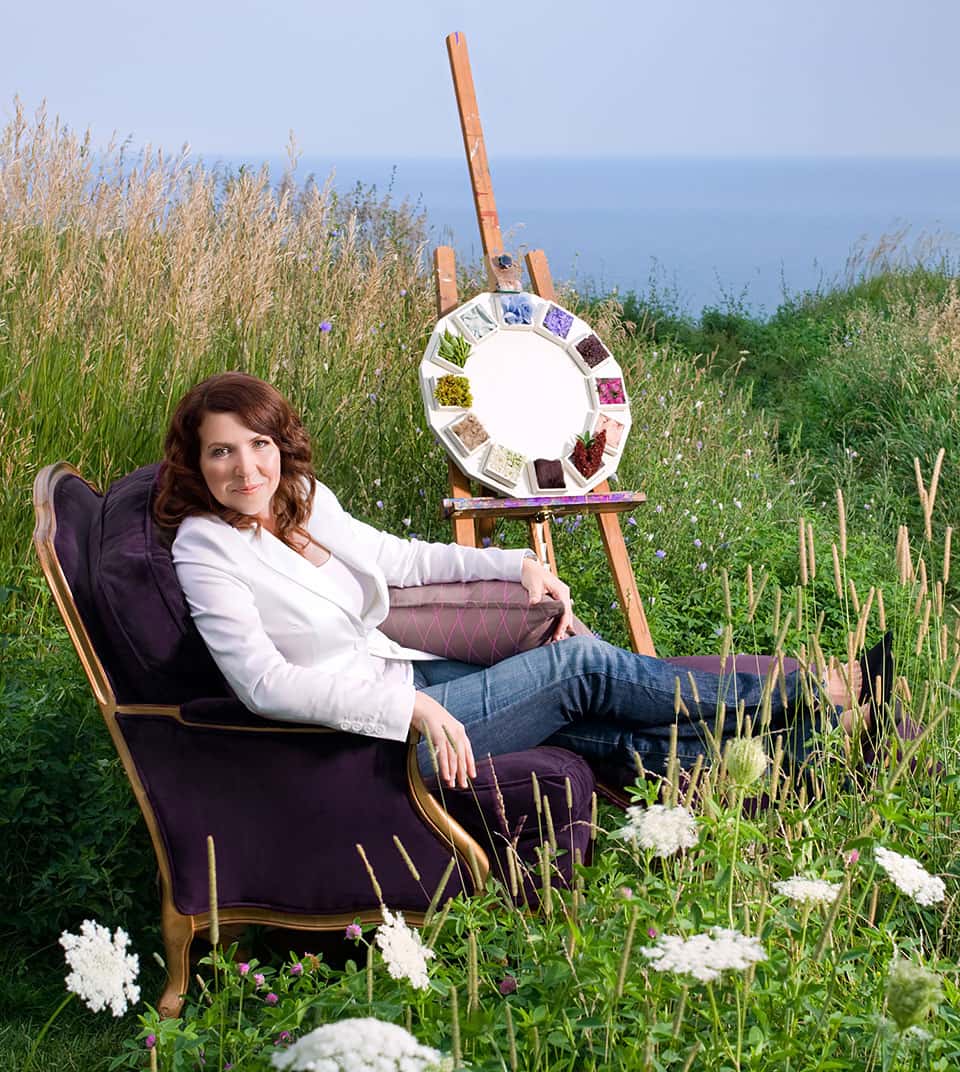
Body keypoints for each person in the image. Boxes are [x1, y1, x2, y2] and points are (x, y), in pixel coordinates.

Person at [155, 372, 867, 791]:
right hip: (369, 735)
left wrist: (511, 563)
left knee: (586, 728)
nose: (245, 468)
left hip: (403, 676)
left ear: (280, 443)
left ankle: (801, 755)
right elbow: (264, 685)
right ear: (195, 461)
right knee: (581, 668)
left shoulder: (302, 499)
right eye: (221, 452)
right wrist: (410, 711)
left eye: (259, 444)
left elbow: (399, 560)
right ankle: (808, 692)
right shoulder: (206, 548)